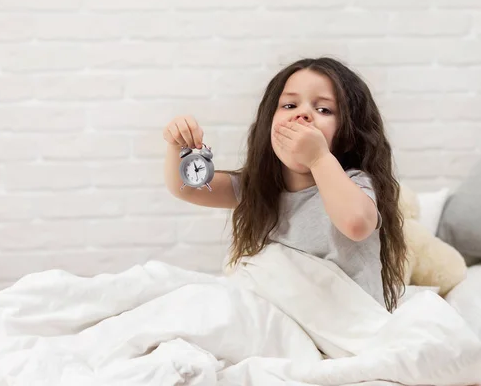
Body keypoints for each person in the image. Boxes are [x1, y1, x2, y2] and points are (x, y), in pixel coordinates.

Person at [163, 57, 407, 311]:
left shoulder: (354, 183)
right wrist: (177, 145)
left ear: (348, 133)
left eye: (324, 110)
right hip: (284, 316)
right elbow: (187, 187)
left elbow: (357, 224)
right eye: (290, 105)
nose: (303, 114)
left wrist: (318, 158)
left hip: (343, 317)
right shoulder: (258, 187)